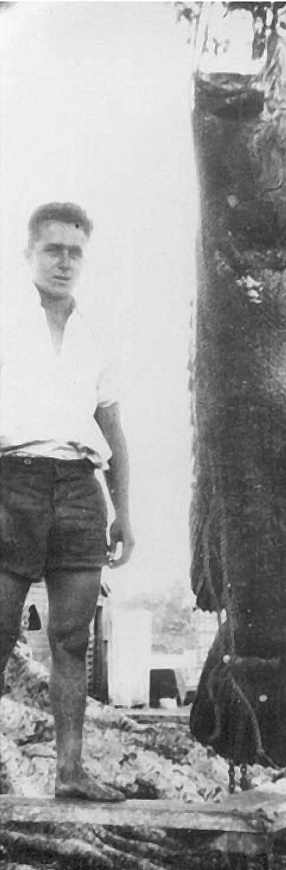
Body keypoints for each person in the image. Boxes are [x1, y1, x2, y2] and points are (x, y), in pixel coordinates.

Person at [0, 202, 135, 802]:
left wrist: (125, 512)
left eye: (74, 251)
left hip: (82, 486)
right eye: (52, 249)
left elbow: (115, 428)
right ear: (30, 252)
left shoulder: (96, 332)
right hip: (12, 480)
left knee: (72, 638)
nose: (63, 261)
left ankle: (71, 772)